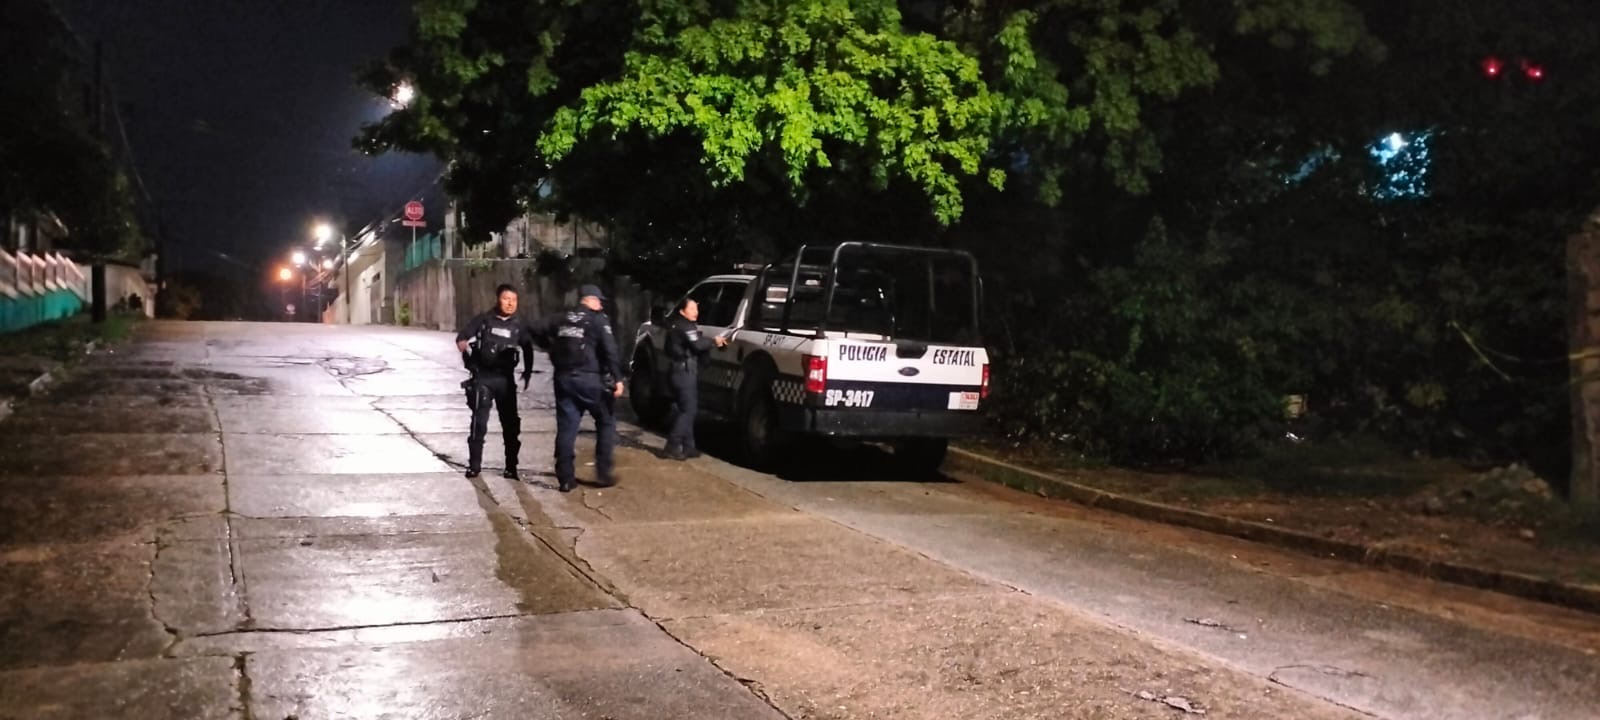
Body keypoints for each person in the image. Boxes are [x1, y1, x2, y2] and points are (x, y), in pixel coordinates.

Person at [528, 284, 624, 492]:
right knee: (606, 421)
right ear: (591, 300)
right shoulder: (598, 320)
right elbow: (610, 350)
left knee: (567, 427)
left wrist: (550, 348)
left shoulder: (562, 318)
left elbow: (533, 328)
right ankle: (603, 472)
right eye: (599, 301)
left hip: (563, 379)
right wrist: (618, 378)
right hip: (590, 379)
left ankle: (565, 478)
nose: (601, 305)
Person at [455, 284, 535, 480]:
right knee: (479, 425)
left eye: (514, 300)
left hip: (505, 381)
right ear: (498, 299)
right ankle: (474, 466)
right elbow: (462, 337)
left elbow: (528, 348)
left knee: (511, 426)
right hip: (483, 379)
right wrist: (465, 350)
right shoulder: (484, 320)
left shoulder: (519, 325)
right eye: (506, 299)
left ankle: (511, 467)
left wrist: (527, 372)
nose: (510, 303)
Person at [663, 298, 728, 460]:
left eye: (696, 309)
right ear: (682, 311)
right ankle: (672, 445)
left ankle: (689, 446)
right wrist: (714, 341)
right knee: (689, 410)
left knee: (686, 409)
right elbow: (697, 345)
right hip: (684, 373)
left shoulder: (675, 325)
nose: (696, 312)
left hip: (676, 370)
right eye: (691, 309)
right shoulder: (685, 326)